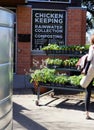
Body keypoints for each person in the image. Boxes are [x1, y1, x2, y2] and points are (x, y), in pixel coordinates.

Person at [80, 34, 94, 119]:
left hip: (92, 69)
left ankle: (87, 114)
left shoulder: (92, 47)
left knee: (88, 91)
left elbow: (89, 59)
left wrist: (85, 70)